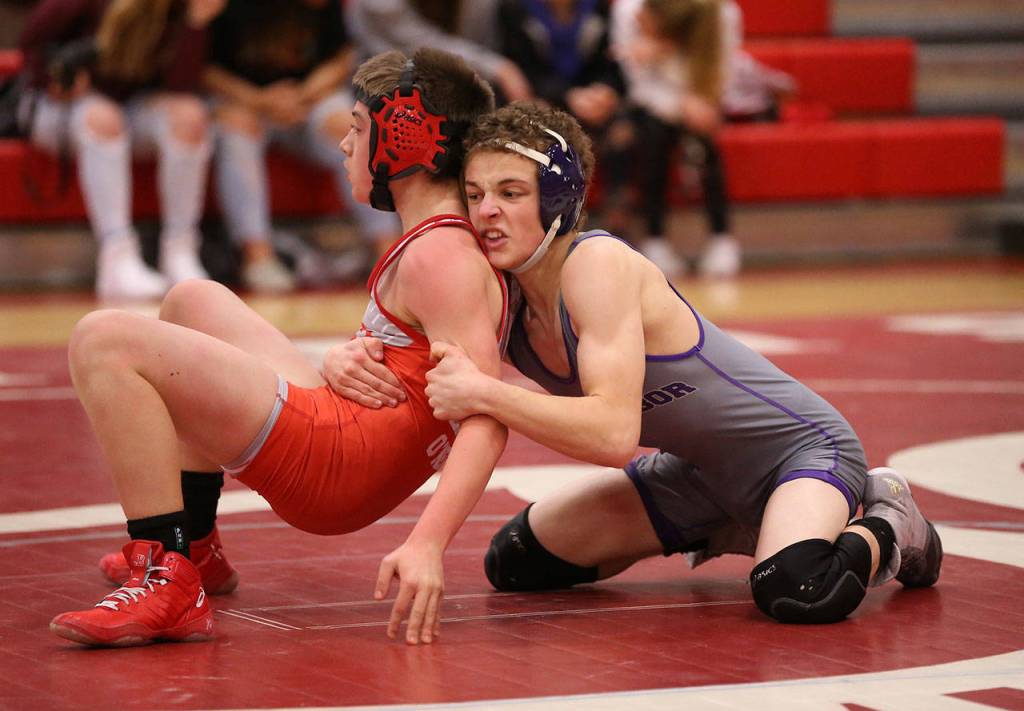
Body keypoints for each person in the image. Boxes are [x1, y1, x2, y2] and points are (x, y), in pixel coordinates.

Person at [332, 102, 943, 626]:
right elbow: (410, 354)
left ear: (558, 198)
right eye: (475, 194)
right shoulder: (501, 293)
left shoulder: (597, 266)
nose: (487, 210)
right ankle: (741, 526)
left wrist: (486, 395)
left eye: (511, 193)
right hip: (696, 473)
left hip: (799, 451)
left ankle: (892, 520)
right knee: (516, 559)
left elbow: (612, 435)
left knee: (797, 586)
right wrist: (348, 356)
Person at [50, 47, 509, 648]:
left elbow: (486, 412)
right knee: (194, 301)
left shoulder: (440, 256)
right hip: (352, 438)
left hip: (340, 462)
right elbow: (416, 357)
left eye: (356, 128)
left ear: (405, 139)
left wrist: (427, 541)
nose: (345, 145)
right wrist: (349, 353)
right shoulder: (435, 242)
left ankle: (164, 573)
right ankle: (197, 545)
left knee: (102, 340)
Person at [17, 0, 223, 301]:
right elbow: (30, 42)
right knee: (104, 118)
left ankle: (180, 251)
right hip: (58, 105)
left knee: (190, 117)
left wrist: (195, 23)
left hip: (131, 106)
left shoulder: (182, 8)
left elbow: (182, 85)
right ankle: (117, 256)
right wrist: (55, 77)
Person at [204, 0, 401, 293]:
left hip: (310, 98)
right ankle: (256, 256)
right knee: (237, 132)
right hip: (241, 99)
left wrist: (303, 95)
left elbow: (342, 57)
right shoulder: (223, 7)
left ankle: (388, 250)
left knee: (352, 124)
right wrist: (257, 100)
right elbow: (203, 68)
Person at [608, 0, 739, 278]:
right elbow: (636, 85)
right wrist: (682, 105)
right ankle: (655, 237)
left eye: (651, 16)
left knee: (704, 142)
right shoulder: (628, 10)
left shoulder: (722, 15)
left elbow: (724, 72)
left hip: (700, 98)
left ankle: (721, 236)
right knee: (653, 135)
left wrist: (702, 102)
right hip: (649, 105)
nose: (642, 18)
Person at [346, 0, 533, 105]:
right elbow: (420, 46)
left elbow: (484, 45)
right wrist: (498, 68)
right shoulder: (378, 5)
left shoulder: (482, 6)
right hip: (381, 83)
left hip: (459, 81)